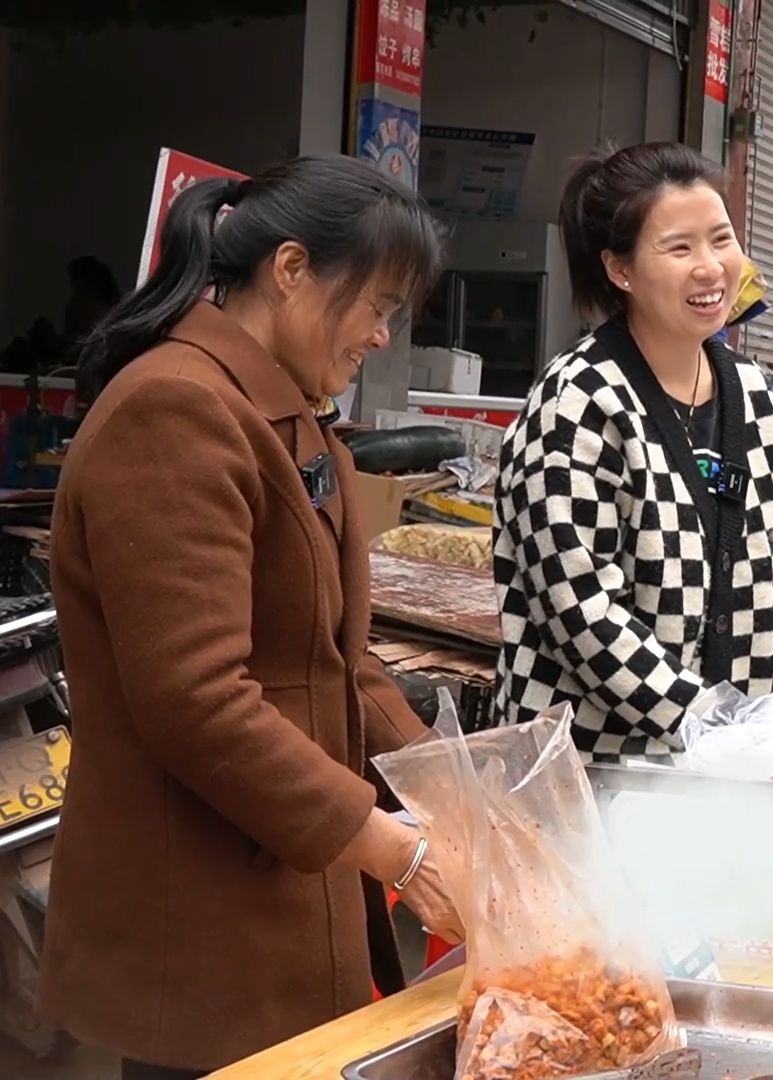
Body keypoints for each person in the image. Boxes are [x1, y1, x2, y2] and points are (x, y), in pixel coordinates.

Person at [43, 156, 463, 1080]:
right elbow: (195, 699)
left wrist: (452, 794)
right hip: (194, 921)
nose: (382, 335)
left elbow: (339, 661)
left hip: (285, 900)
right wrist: (390, 847)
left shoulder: (290, 416)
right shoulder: (174, 411)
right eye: (377, 304)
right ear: (290, 270)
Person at [491, 142, 773, 763]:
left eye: (721, 240)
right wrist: (710, 720)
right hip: (588, 770)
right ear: (620, 270)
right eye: (679, 247)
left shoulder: (751, 394)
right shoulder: (579, 400)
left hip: (715, 770)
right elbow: (577, 609)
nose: (712, 268)